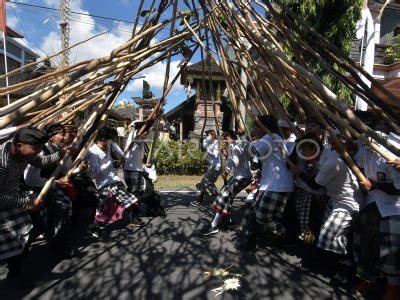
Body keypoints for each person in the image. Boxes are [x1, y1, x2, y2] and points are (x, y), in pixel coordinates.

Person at [295, 132, 363, 282]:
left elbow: (315, 184)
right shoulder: (323, 156)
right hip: (334, 201)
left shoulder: (330, 161)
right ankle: (340, 263)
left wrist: (299, 173)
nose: (302, 154)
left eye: (304, 150)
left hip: (348, 203)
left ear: (314, 150)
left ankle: (347, 264)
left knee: (327, 236)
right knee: (325, 234)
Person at [0, 127, 64, 279]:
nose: (38, 152)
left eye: (41, 148)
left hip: (12, 198)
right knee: (10, 237)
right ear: (19, 145)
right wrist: (26, 203)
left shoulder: (24, 154)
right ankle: (13, 268)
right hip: (4, 202)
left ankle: (16, 261)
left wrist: (61, 154)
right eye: (35, 148)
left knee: (35, 226)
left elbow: (41, 162)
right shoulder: (1, 164)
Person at [353, 120, 400, 299]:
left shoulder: (392, 154)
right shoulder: (365, 148)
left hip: (395, 209)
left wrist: (375, 185)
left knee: (391, 253)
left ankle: (393, 288)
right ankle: (369, 279)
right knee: (365, 244)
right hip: (375, 204)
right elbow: (359, 163)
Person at [235, 115, 294, 250]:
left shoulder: (270, 137)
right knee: (255, 211)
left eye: (256, 126)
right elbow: (256, 159)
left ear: (263, 126)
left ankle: (283, 235)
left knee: (262, 215)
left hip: (278, 184)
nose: (254, 129)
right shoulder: (274, 137)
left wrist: (246, 142)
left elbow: (252, 153)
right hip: (272, 183)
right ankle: (259, 237)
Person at [23, 124, 75, 257]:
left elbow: (65, 170)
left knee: (61, 212)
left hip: (52, 190)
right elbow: (30, 179)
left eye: (64, 133)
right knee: (39, 224)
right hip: (38, 192)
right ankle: (19, 252)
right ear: (51, 137)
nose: (64, 137)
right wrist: (56, 182)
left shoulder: (58, 149)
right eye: (61, 134)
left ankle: (56, 241)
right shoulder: (42, 151)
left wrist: (76, 167)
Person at [85, 127, 144, 238]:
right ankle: (93, 227)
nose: (113, 142)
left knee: (128, 200)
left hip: (115, 180)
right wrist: (110, 162)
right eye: (111, 140)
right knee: (105, 208)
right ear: (102, 139)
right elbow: (95, 171)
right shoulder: (93, 152)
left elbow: (122, 156)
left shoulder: (109, 148)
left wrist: (120, 159)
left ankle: (133, 218)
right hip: (105, 183)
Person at [200, 130, 252, 236]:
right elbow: (231, 161)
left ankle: (214, 226)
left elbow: (235, 162)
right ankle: (228, 220)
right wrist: (226, 167)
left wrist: (226, 159)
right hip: (237, 176)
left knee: (224, 195)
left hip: (243, 178)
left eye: (226, 138)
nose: (225, 140)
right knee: (227, 196)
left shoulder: (237, 146)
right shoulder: (232, 146)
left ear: (231, 137)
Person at [193, 129, 221, 206]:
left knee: (204, 182)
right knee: (206, 183)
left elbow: (214, 155)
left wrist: (207, 148)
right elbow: (202, 149)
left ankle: (214, 198)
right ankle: (204, 199)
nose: (207, 136)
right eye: (207, 134)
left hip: (217, 166)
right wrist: (201, 141)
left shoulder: (217, 143)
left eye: (209, 134)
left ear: (213, 135)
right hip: (212, 166)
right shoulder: (208, 142)